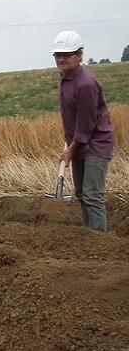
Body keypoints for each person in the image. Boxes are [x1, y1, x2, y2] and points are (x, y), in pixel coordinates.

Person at [51, 30, 113, 232]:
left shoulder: (85, 84)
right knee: (80, 194)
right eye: (58, 55)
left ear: (79, 56)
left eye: (66, 55)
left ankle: (99, 242)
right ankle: (89, 236)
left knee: (92, 195)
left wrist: (71, 149)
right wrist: (71, 144)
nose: (61, 59)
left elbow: (86, 124)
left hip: (95, 144)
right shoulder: (65, 78)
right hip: (78, 143)